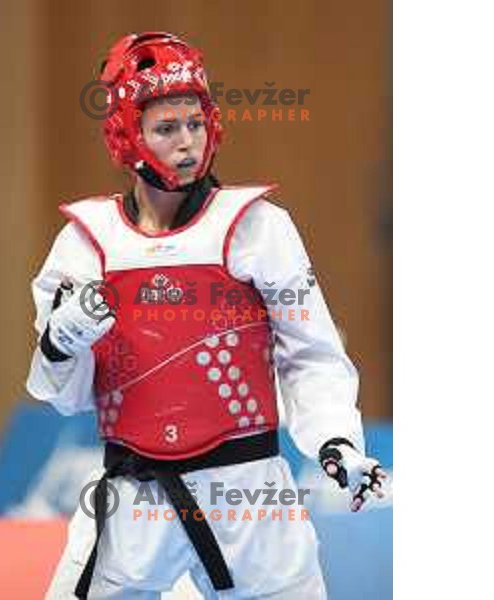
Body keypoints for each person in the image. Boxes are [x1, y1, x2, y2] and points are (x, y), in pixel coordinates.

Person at [26, 32, 386, 600]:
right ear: (127, 134)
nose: (187, 142)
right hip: (130, 495)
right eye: (167, 128)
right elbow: (64, 397)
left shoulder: (257, 227)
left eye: (195, 123)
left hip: (249, 497)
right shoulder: (85, 244)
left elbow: (311, 352)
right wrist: (59, 342)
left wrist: (335, 441)